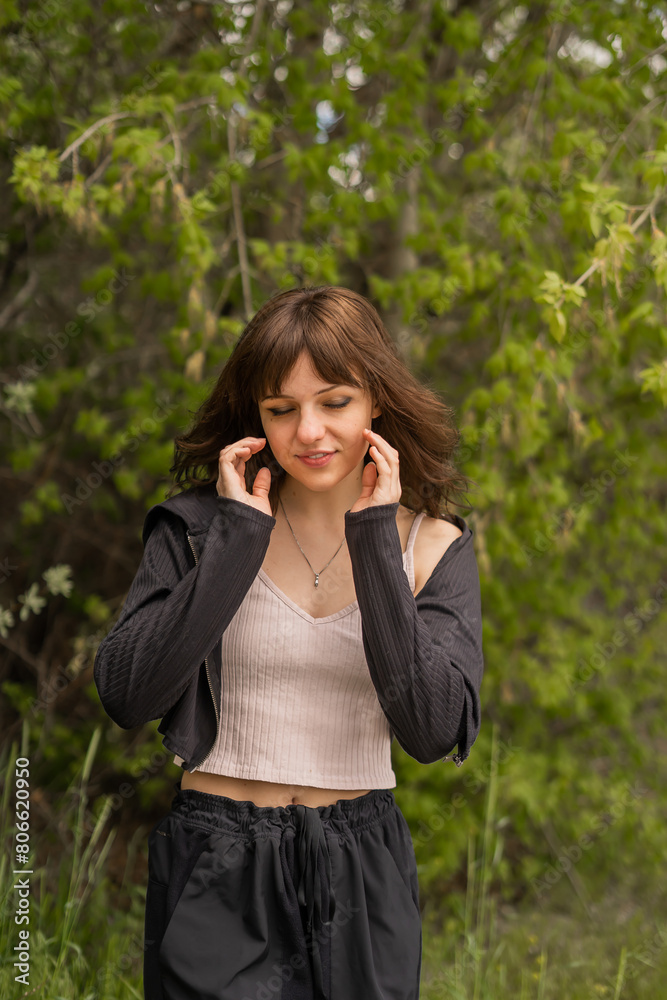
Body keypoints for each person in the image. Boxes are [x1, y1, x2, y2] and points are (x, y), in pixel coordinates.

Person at [93, 284, 484, 1000]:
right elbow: (126, 693)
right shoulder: (195, 530)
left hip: (362, 866)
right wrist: (237, 541)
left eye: (334, 401)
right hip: (218, 858)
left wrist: (372, 539)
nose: (309, 431)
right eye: (282, 409)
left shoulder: (433, 545)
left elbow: (431, 730)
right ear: (256, 420)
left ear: (376, 403)